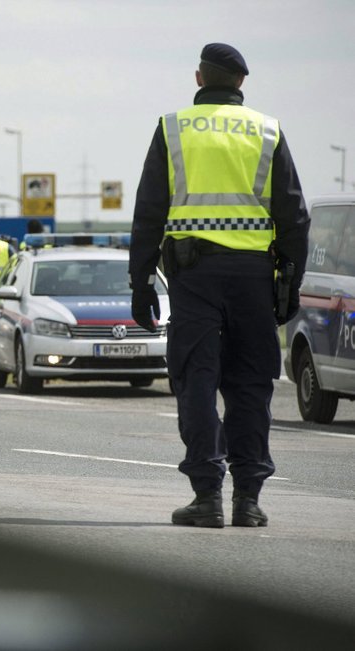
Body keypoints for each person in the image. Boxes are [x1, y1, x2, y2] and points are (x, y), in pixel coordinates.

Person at [129, 43, 309, 528]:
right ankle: (248, 501)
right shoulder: (267, 130)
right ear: (241, 83)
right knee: (251, 386)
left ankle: (206, 495)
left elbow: (148, 213)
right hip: (254, 278)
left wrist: (141, 282)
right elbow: (294, 216)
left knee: (196, 380)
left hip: (194, 279)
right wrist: (290, 283)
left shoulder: (174, 128)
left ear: (198, 78)